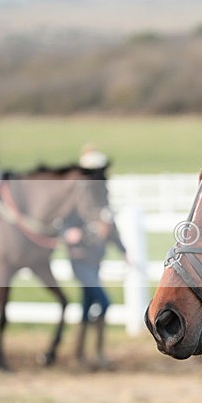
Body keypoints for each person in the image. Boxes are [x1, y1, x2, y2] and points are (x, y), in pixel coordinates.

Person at [63, 148, 126, 369]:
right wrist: (69, 234)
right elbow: (64, 222)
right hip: (81, 260)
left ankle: (80, 356)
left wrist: (123, 250)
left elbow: (110, 228)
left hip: (94, 259)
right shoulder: (77, 196)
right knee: (104, 302)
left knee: (87, 305)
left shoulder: (101, 198)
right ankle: (96, 354)